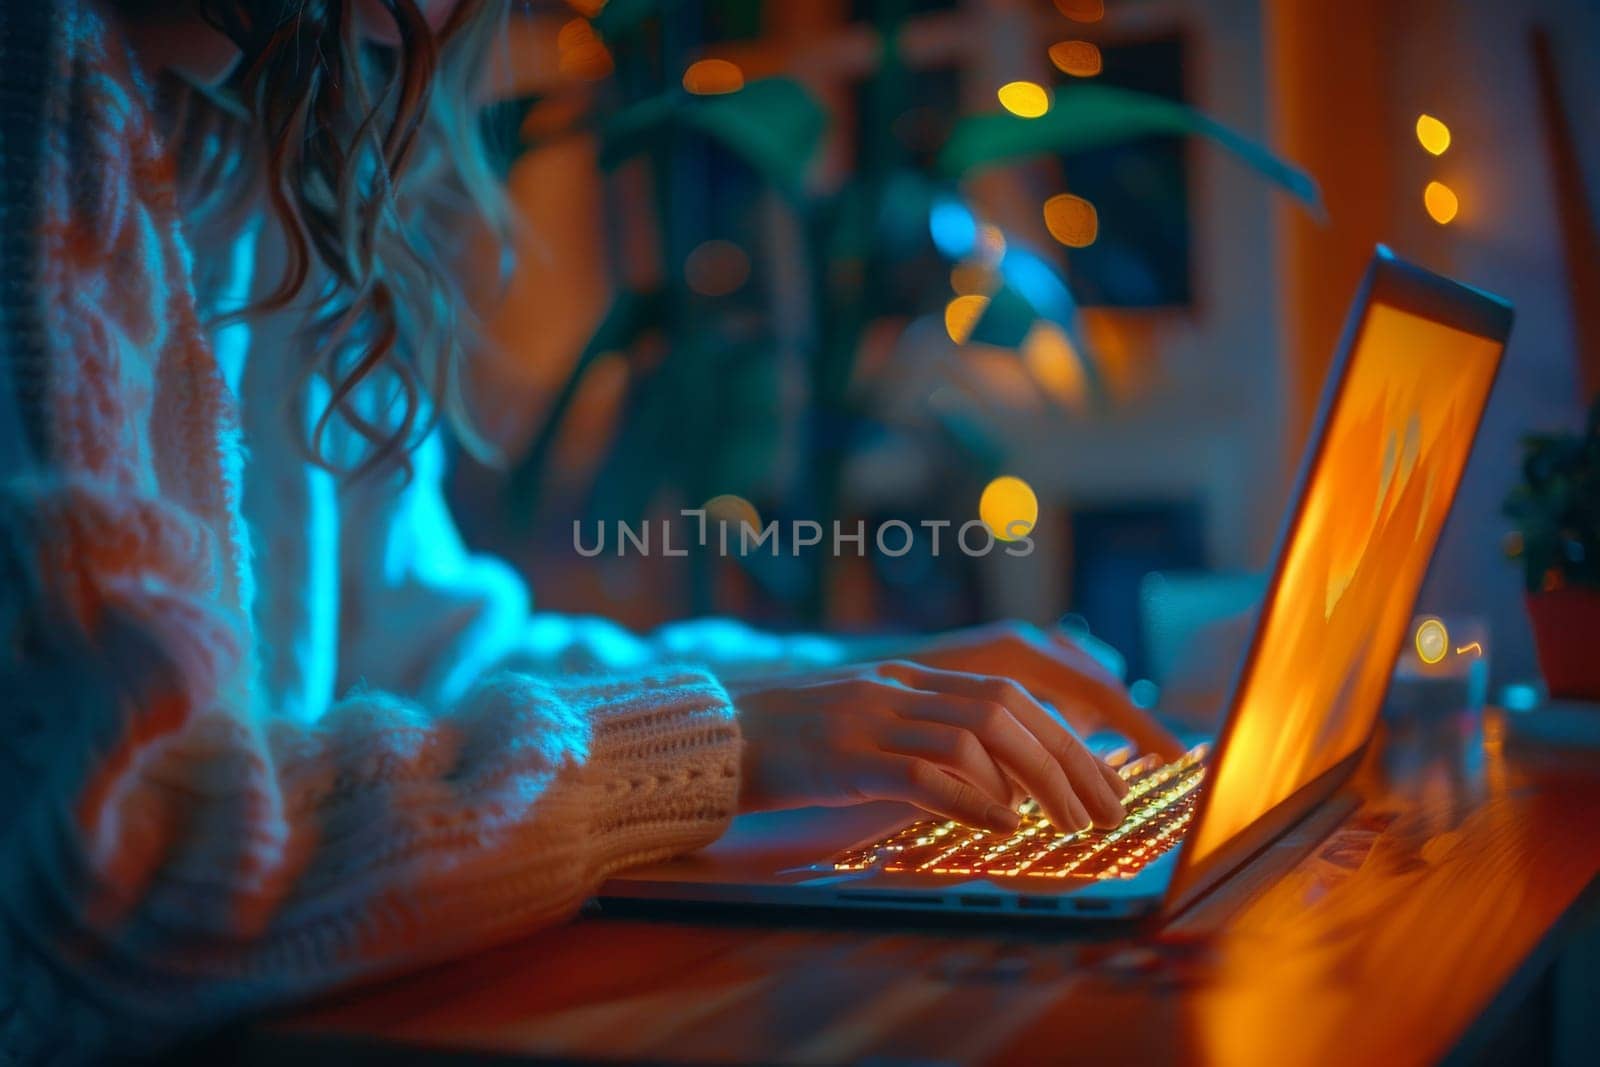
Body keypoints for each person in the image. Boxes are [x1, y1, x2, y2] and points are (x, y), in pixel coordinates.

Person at [0, 0, 1181, 1059]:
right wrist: (713, 744)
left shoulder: (274, 144)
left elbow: (425, 655)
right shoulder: (42, 120)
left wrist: (869, 690)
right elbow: (127, 872)